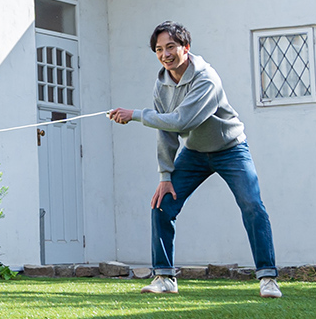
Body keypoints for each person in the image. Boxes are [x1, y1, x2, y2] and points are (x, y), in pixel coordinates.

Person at [109, 21, 281, 298]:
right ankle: (164, 278)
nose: (165, 54)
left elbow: (182, 120)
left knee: (252, 204)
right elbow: (166, 130)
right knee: (162, 204)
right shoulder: (162, 83)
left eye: (171, 47)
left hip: (230, 149)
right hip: (195, 152)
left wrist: (136, 114)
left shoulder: (206, 78)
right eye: (158, 49)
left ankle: (268, 278)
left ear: (186, 48)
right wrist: (165, 176)